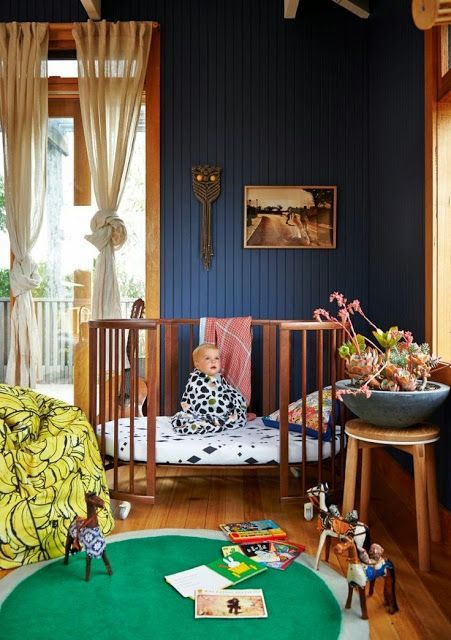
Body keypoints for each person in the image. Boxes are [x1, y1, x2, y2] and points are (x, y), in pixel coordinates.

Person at [171, 343, 248, 435]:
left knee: (238, 412)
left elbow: (229, 392)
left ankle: (231, 415)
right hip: (204, 413)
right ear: (197, 365)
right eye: (207, 358)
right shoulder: (197, 380)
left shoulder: (219, 377)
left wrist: (236, 406)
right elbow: (201, 398)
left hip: (223, 412)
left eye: (216, 358)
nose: (213, 361)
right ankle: (218, 418)